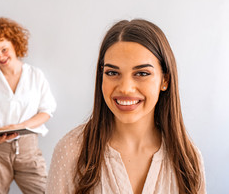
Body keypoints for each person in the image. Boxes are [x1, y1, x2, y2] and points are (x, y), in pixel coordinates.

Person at [46, 19, 206, 194]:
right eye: (112, 73)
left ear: (165, 80)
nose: (125, 88)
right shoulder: (71, 152)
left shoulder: (189, 160)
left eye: (142, 73)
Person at [0, 17, 57, 193]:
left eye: (4, 49)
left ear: (15, 44)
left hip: (28, 150)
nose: (0, 57)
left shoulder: (35, 75)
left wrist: (22, 126)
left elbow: (46, 111)